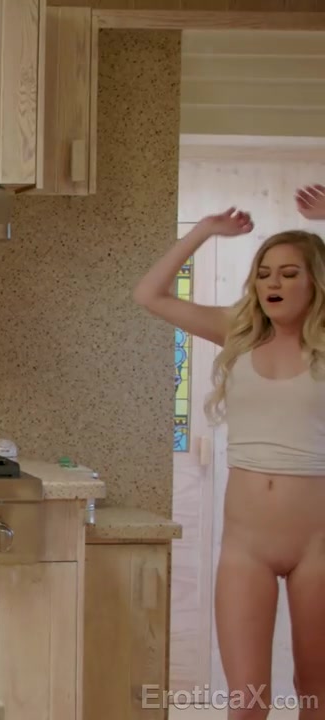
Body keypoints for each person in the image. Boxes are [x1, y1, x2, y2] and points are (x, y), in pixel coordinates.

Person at [133, 191, 325, 720]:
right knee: (246, 703)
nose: (272, 283)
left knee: (316, 691)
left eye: (289, 273)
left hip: (319, 544)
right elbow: (149, 294)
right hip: (246, 548)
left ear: (316, 281)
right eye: (264, 273)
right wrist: (203, 230)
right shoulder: (237, 334)